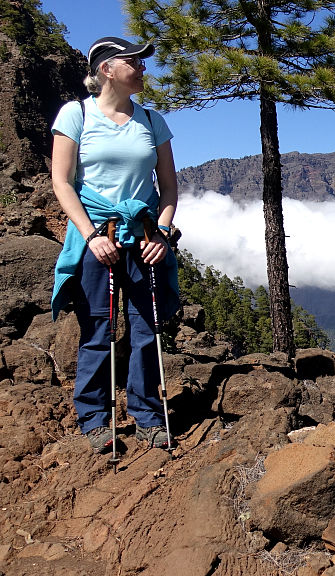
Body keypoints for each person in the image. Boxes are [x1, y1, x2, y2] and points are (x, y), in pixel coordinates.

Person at [50, 36, 180, 453]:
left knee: (146, 329)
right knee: (97, 329)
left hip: (143, 237)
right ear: (107, 69)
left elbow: (169, 189)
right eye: (135, 62)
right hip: (97, 235)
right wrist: (89, 236)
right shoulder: (76, 115)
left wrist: (160, 232)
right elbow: (62, 182)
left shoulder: (152, 120)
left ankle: (146, 415)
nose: (143, 68)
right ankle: (93, 418)